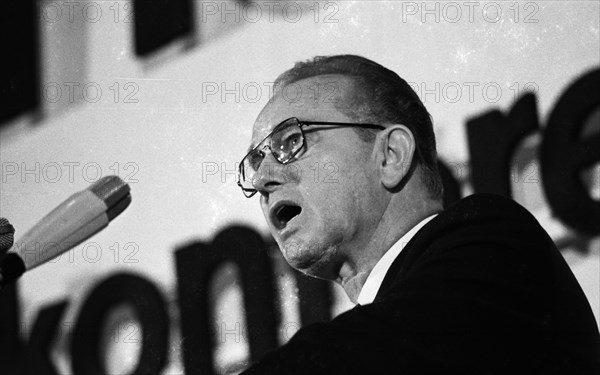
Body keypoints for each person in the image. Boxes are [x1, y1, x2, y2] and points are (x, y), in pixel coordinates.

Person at [236, 55, 600, 374]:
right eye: (256, 162)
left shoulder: (497, 244)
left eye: (291, 142)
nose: (265, 178)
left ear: (391, 154)